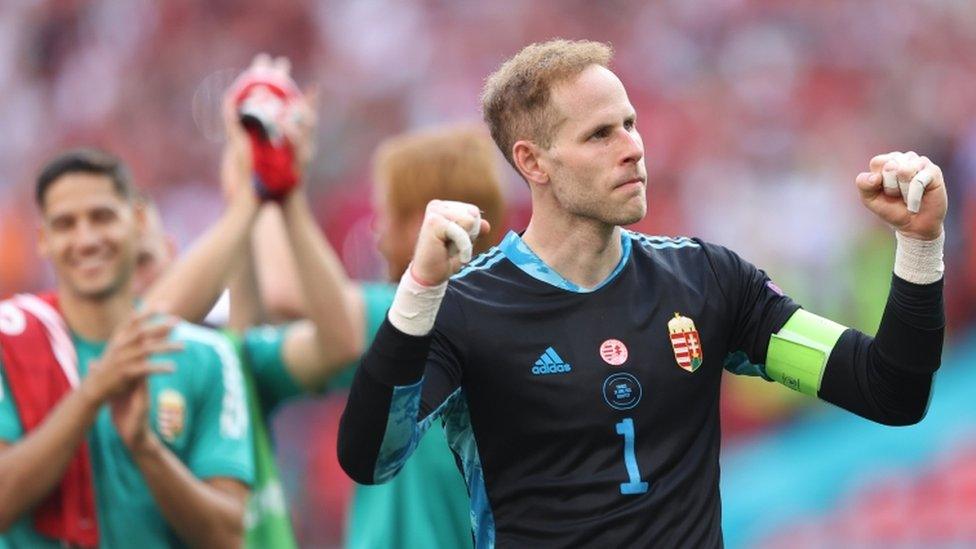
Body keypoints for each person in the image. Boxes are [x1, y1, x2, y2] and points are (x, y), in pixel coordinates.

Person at [337, 39, 947, 547]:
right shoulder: (467, 308)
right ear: (534, 162)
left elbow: (889, 390)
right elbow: (371, 457)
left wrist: (920, 244)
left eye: (630, 123)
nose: (633, 147)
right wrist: (418, 290)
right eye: (600, 134)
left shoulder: (707, 281)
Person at [140, 55, 362, 548]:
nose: (141, 278)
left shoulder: (224, 358)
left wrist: (278, 184)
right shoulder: (95, 365)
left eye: (148, 261)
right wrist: (248, 193)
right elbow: (146, 326)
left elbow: (338, 340)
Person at [0, 149, 253, 548]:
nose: (85, 240)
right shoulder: (9, 342)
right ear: (44, 241)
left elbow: (228, 536)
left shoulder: (206, 356)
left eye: (101, 217)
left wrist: (146, 448)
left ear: (136, 222)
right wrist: (91, 395)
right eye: (66, 224)